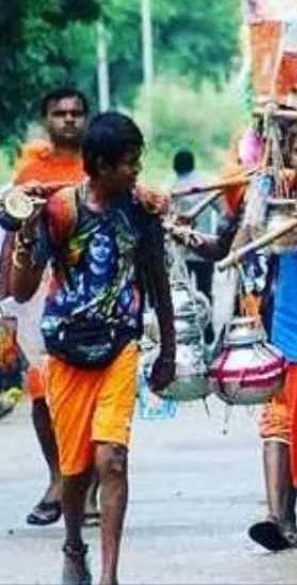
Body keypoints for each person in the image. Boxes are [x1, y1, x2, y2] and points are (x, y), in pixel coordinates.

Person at [8, 111, 176, 585]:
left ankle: (109, 575)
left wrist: (168, 350)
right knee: (75, 467)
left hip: (120, 347)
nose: (136, 171)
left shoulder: (141, 212)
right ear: (101, 165)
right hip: (65, 352)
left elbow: (156, 279)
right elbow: (22, 290)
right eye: (129, 163)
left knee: (112, 458)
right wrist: (26, 233)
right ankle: (74, 545)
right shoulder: (61, 211)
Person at [188, 121, 297, 567]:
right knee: (279, 425)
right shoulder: (275, 197)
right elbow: (242, 248)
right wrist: (261, 199)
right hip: (285, 332)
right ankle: (279, 517)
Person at [1, 88, 89, 529]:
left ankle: (82, 483)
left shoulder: (99, 166)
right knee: (42, 393)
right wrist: (7, 301)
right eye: (60, 113)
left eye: (76, 113)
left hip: (91, 290)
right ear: (46, 119)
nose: (69, 120)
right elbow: (13, 234)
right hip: (37, 293)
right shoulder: (30, 171)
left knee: (88, 390)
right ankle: (58, 478)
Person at [169, 149, 216, 301]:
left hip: (183, 251)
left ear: (175, 167)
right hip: (205, 247)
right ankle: (208, 324)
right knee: (205, 289)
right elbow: (223, 213)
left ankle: (188, 322)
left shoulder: (173, 188)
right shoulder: (205, 185)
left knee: (182, 292)